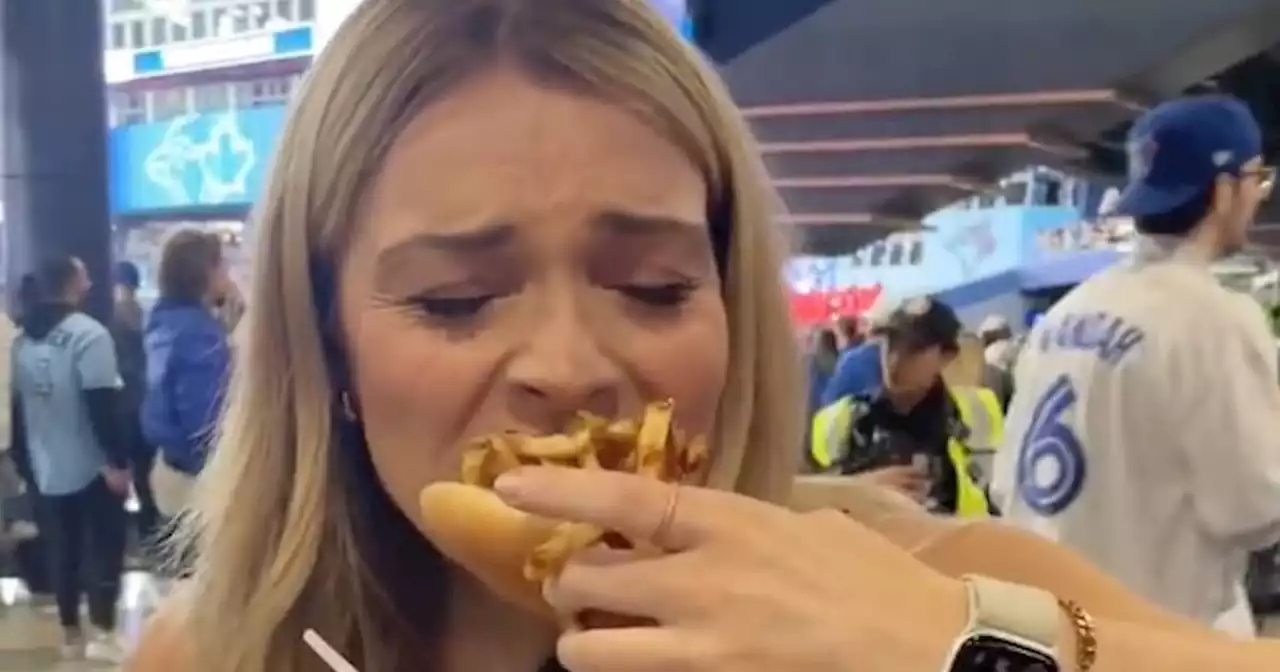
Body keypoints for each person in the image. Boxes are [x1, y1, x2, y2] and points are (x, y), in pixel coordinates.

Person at [125, 3, 1280, 671]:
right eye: (456, 302)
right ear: (328, 352)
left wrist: (955, 646)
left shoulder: (913, 581)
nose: (568, 367)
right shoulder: (221, 654)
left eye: (654, 282)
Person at [994, 96, 1280, 637]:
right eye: (1255, 178)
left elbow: (1008, 486)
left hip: (1048, 626)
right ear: (1222, 190)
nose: (1258, 196)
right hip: (1154, 634)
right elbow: (1254, 508)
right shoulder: (1215, 318)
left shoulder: (1064, 314)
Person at [10, 255, 130, 662]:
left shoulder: (22, 340)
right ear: (71, 284)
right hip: (92, 463)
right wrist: (116, 462)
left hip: (45, 464)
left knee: (63, 546)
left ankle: (70, 632)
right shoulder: (88, 335)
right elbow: (102, 404)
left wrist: (27, 465)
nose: (91, 281)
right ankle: (104, 627)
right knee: (106, 544)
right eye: (85, 275)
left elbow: (19, 408)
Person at [812, 297, 1002, 515]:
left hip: (959, 544)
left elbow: (1001, 500)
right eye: (889, 343)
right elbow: (799, 502)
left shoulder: (977, 415)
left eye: (914, 349)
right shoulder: (842, 420)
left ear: (946, 356)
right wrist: (857, 490)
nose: (894, 358)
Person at [141, 230, 233, 521]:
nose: (228, 275)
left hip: (168, 465)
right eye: (223, 266)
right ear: (206, 272)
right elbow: (205, 421)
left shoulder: (162, 320)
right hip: (199, 482)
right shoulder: (200, 335)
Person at [112, 261, 160, 547]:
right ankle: (149, 530)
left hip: (124, 405)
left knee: (125, 470)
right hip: (144, 402)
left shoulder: (114, 318)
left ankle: (135, 535)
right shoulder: (144, 314)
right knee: (144, 473)